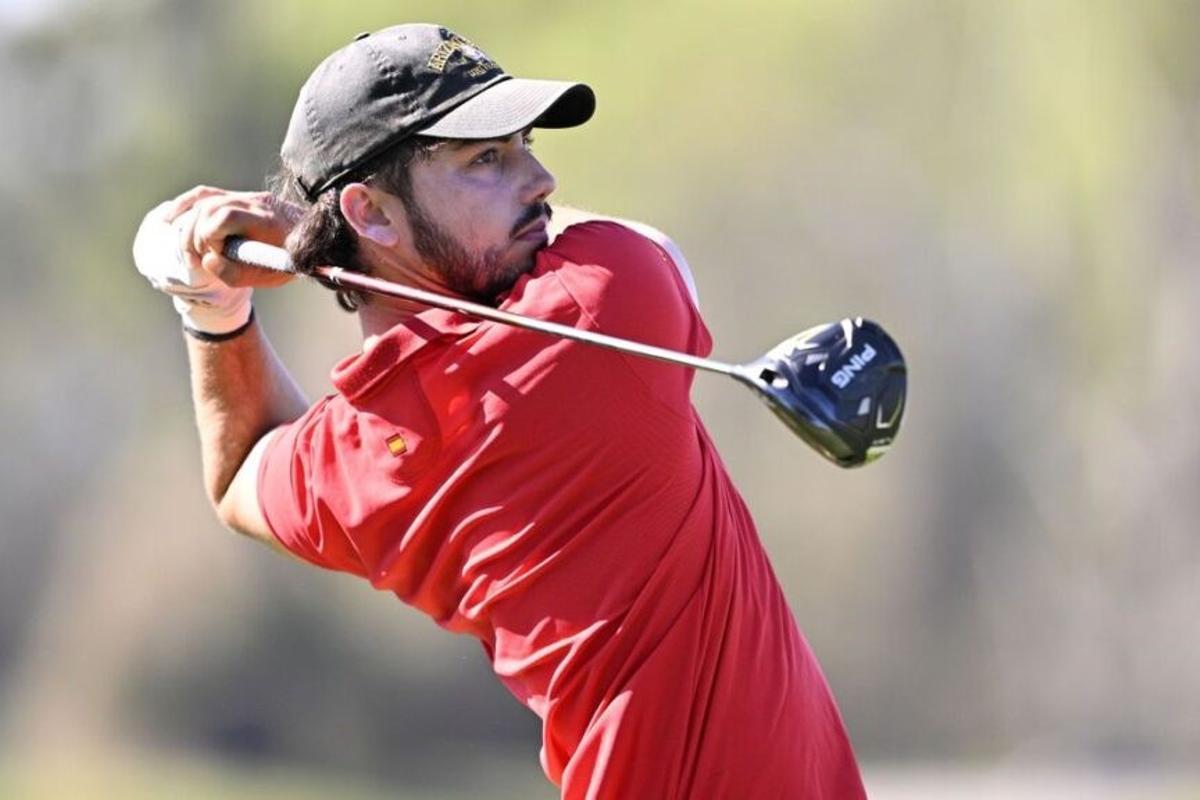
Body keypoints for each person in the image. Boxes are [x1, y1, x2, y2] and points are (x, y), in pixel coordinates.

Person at [133, 23, 867, 799]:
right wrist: (317, 246)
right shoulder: (600, 310)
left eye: (523, 144)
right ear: (372, 212)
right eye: (487, 158)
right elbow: (646, 247)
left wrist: (212, 308)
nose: (541, 178)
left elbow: (242, 470)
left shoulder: (359, 454)